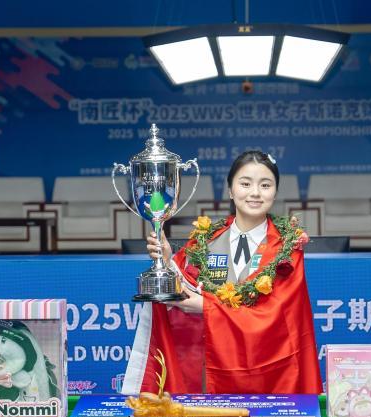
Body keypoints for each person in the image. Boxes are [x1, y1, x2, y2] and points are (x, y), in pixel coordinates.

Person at [121, 151, 322, 395]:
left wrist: (207, 307)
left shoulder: (288, 247)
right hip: (213, 374)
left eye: (265, 185)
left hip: (271, 378)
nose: (255, 193)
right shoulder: (205, 241)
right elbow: (182, 286)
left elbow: (277, 316)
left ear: (275, 192)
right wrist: (166, 260)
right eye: (245, 184)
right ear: (230, 190)